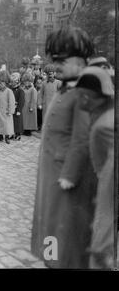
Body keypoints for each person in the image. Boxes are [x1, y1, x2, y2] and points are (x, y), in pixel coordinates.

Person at [31, 26, 98, 269]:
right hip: (50, 174)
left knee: (65, 229)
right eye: (55, 59)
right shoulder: (64, 90)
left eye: (64, 59)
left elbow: (82, 138)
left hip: (66, 178)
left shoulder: (84, 93)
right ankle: (51, 262)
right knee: (50, 224)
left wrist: (69, 175)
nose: (57, 65)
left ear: (82, 61)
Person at [75, 66, 115, 269]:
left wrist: (101, 244)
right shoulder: (102, 117)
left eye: (84, 95)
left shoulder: (104, 126)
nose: (80, 99)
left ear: (97, 97)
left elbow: (108, 178)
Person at [0, 71, 15, 144]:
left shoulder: (9, 91)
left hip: (6, 111)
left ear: (5, 83)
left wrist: (11, 111)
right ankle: (0, 136)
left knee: (7, 125)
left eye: (1, 83)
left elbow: (11, 102)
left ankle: (7, 137)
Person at [9, 73, 25, 141]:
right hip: (11, 108)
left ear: (17, 81)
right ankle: (12, 134)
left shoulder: (20, 90)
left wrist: (19, 110)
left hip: (17, 108)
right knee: (12, 122)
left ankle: (18, 135)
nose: (12, 83)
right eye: (11, 82)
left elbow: (21, 101)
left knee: (18, 122)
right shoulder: (10, 89)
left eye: (13, 82)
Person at [21, 71, 38, 136]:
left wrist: (31, 107)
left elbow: (34, 99)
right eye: (25, 81)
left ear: (31, 82)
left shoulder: (33, 89)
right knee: (25, 119)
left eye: (28, 81)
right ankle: (25, 129)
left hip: (29, 107)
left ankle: (28, 131)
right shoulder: (23, 88)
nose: (26, 83)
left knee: (29, 119)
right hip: (24, 106)